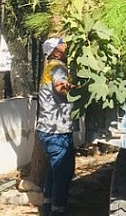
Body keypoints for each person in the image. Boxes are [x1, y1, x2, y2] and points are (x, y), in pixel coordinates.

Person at [37, 37, 75, 216]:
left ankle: (48, 204)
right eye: (62, 43)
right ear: (55, 51)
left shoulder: (49, 67)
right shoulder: (58, 67)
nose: (65, 45)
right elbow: (60, 87)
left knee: (54, 170)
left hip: (47, 129)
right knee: (63, 171)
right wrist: (75, 88)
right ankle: (58, 209)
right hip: (57, 130)